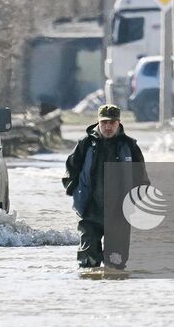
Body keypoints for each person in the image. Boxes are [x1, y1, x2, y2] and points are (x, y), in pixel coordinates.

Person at [63, 104, 148, 269]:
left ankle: (113, 294)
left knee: (116, 265)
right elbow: (70, 171)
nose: (108, 127)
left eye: (112, 122)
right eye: (104, 122)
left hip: (119, 213)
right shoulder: (85, 144)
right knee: (88, 265)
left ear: (119, 123)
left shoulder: (129, 146)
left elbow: (141, 178)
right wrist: (75, 192)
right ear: (98, 122)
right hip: (89, 212)